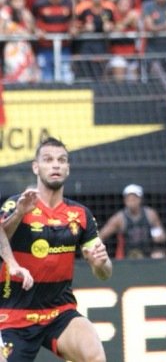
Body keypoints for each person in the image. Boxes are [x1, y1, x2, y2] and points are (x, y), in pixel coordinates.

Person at [0, 137, 110, 361]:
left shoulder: (80, 214)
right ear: (35, 167)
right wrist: (20, 214)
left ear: (68, 168)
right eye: (48, 160)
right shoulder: (16, 204)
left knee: (94, 354)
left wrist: (101, 263)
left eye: (62, 160)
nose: (56, 165)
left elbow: (104, 273)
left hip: (59, 313)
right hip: (13, 316)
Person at [99, 183, 166, 259]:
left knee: (158, 256)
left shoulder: (150, 214)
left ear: (140, 199)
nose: (131, 201)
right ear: (125, 200)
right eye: (128, 199)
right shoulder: (119, 218)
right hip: (127, 257)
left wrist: (159, 237)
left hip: (149, 255)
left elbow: (163, 236)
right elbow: (101, 236)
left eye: (134, 198)